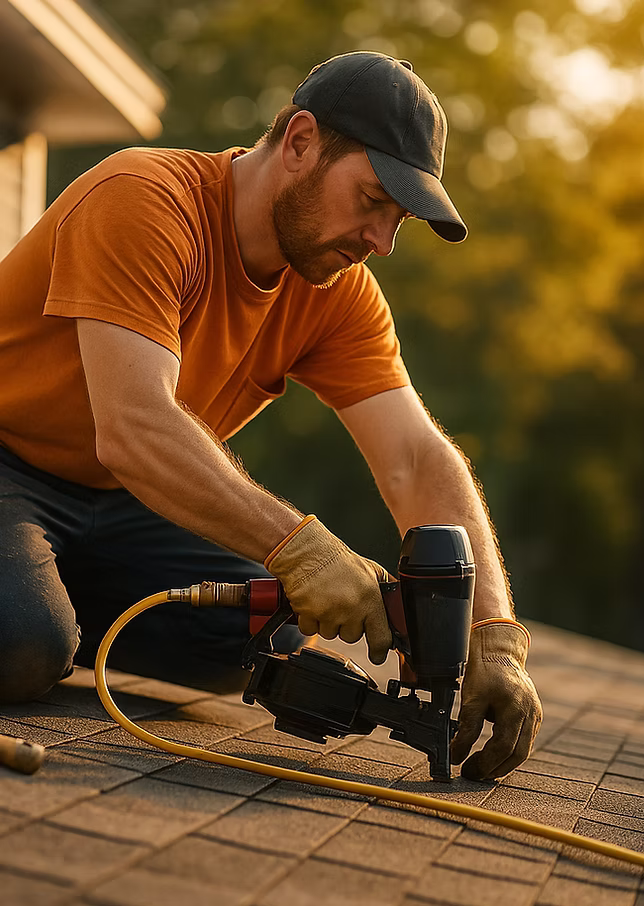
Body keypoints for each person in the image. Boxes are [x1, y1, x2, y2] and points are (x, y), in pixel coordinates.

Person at [0, 51, 541, 780]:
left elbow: (417, 458)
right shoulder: (144, 199)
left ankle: (48, 602)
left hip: (119, 500)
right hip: (11, 457)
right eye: (373, 200)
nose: (380, 242)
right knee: (22, 641)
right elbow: (133, 426)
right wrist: (300, 547)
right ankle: (37, 620)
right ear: (299, 143)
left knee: (264, 635)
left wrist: (494, 632)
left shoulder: (337, 292)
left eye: (399, 220)